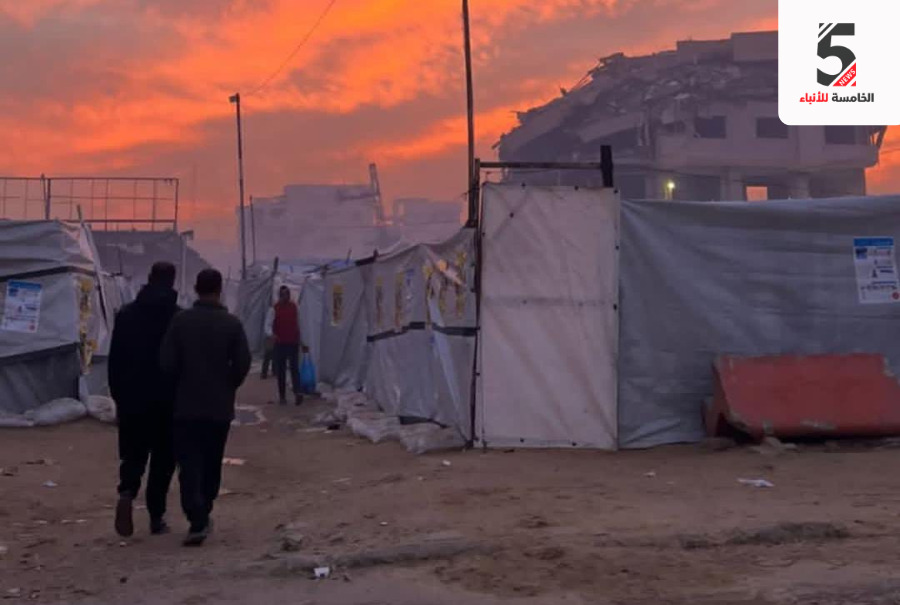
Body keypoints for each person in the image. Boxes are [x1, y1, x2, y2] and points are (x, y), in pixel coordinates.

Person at [160, 269, 251, 546]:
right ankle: (204, 508)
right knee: (212, 461)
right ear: (220, 290)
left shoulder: (181, 322)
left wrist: (179, 385)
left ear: (196, 289)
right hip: (218, 407)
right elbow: (243, 363)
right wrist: (227, 385)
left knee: (189, 464)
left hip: (186, 406)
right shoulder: (231, 324)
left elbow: (167, 363)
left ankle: (196, 516)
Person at [108, 261, 180, 537]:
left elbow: (115, 363)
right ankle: (156, 516)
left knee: (133, 454)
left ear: (149, 278)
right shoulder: (177, 318)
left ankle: (127, 492)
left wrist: (118, 398)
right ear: (172, 282)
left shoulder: (126, 315)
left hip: (132, 399)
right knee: (163, 460)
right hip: (167, 400)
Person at [264, 286, 307, 406]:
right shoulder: (274, 309)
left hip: (293, 342)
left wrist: (303, 341)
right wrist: (271, 334)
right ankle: (282, 396)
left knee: (294, 369)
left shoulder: (294, 307)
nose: (285, 297)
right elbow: (267, 325)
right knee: (281, 370)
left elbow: (300, 324)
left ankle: (297, 392)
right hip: (280, 343)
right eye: (283, 295)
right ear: (280, 296)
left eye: (287, 294)